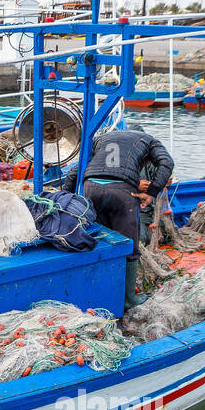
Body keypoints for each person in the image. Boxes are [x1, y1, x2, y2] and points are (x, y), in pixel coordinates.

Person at [81, 128, 174, 309]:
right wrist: (152, 192)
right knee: (130, 246)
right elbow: (167, 163)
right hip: (121, 192)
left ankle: (100, 292)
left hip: (90, 187)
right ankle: (129, 299)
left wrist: (70, 198)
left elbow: (77, 168)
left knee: (101, 241)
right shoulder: (150, 141)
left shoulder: (100, 139)